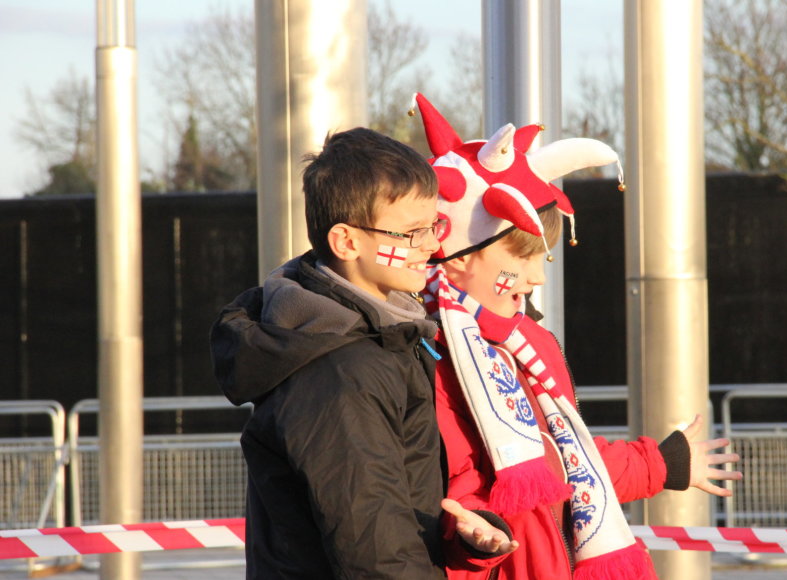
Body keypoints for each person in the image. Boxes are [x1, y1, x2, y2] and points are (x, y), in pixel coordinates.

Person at [411, 94, 743, 579]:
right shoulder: (430, 356)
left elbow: (562, 460)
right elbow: (459, 491)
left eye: (540, 258)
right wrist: (478, 535)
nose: (537, 279)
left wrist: (658, 464)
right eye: (520, 260)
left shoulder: (527, 343)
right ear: (458, 256)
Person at [210, 127, 514, 579]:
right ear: (347, 242)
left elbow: (394, 510)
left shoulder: (379, 337)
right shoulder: (338, 369)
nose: (432, 246)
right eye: (412, 233)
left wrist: (458, 535)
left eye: (434, 226)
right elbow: (374, 549)